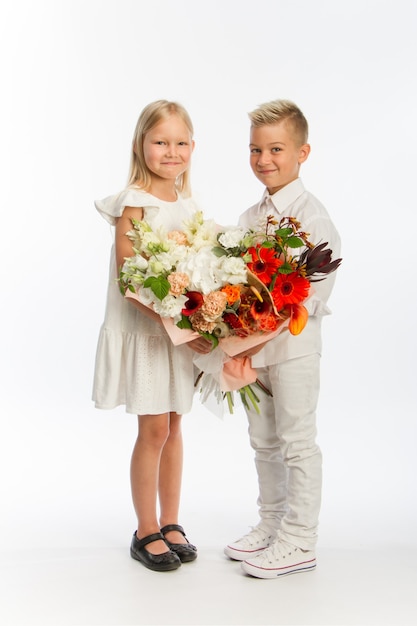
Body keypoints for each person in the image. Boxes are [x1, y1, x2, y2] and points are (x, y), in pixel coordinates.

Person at [224, 99, 341, 578]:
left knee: (296, 442)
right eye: (255, 150)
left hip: (292, 353)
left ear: (303, 152)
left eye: (275, 149)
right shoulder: (251, 216)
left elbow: (303, 302)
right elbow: (235, 286)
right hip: (253, 356)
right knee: (263, 442)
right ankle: (271, 523)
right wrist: (235, 342)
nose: (264, 160)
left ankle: (299, 539)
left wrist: (252, 342)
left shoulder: (314, 220)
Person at [92, 100, 211, 572]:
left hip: (178, 336)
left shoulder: (189, 205)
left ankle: (171, 519)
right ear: (142, 145)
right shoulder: (134, 202)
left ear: (193, 148)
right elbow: (129, 280)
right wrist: (177, 321)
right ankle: (145, 530)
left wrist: (203, 320)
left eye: (180, 142)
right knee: (154, 428)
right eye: (161, 142)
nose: (171, 151)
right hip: (149, 331)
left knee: (176, 424)